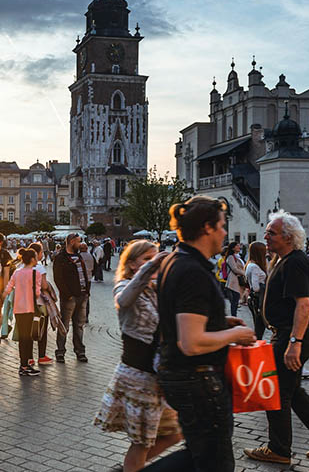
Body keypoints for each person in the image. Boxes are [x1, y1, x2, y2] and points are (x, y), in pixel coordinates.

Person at [145, 196, 255, 472]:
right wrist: (235, 336)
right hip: (199, 379)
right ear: (206, 227)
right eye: (220, 226)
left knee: (200, 456)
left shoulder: (175, 260)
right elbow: (192, 342)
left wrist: (220, 322)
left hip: (183, 376)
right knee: (214, 462)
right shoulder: (192, 270)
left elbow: (181, 315)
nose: (224, 233)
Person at [243, 211, 309, 465]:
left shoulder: (295, 262)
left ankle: (278, 449)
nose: (265, 236)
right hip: (287, 334)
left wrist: (294, 343)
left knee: (275, 391)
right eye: (267, 231)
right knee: (292, 391)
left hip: (291, 336)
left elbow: (304, 305)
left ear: (288, 238)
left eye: (272, 232)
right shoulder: (282, 260)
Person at [95, 239, 181, 472]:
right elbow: (123, 300)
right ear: (133, 265)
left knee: (174, 434)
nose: (153, 263)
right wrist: (151, 267)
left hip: (157, 376)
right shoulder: (124, 286)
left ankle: (129, 468)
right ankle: (131, 468)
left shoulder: (156, 289)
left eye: (154, 258)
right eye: (146, 259)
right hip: (138, 375)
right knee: (141, 443)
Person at [3, 248, 44, 376]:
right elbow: (37, 292)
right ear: (32, 259)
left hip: (18, 308)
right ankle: (25, 366)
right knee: (28, 337)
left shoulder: (17, 272)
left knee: (22, 337)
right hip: (30, 307)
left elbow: (9, 287)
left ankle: (23, 364)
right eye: (36, 257)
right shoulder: (35, 273)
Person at [52, 233, 91, 363]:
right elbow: (58, 278)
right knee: (64, 326)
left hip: (82, 295)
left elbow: (84, 274)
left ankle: (80, 351)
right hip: (69, 298)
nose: (80, 244)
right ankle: (60, 352)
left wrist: (87, 292)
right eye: (79, 242)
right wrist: (67, 294)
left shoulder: (79, 256)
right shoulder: (61, 258)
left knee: (79, 325)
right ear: (72, 241)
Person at [243, 241, 268, 340]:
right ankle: (257, 348)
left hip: (253, 299)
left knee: (258, 327)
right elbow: (256, 287)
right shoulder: (255, 267)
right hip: (258, 299)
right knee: (259, 328)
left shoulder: (250, 264)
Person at [223, 241, 245, 317]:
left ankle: (234, 316)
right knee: (234, 301)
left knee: (235, 301)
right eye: (237, 245)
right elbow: (234, 269)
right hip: (233, 282)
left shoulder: (237, 256)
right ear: (233, 248)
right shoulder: (231, 257)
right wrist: (244, 273)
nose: (239, 246)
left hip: (237, 281)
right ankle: (233, 317)